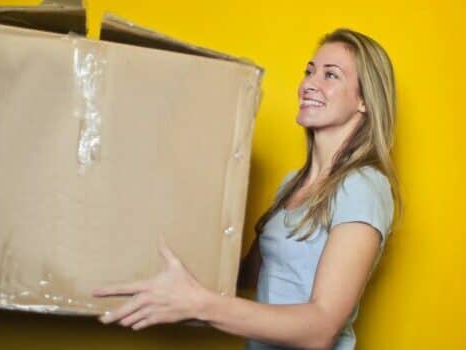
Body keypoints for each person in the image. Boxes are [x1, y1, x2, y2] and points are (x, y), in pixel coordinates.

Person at [92, 27, 402, 350]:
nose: (310, 83)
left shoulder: (363, 187)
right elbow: (245, 277)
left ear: (365, 100)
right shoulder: (292, 184)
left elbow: (321, 328)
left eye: (331, 75)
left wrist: (197, 303)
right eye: (309, 71)